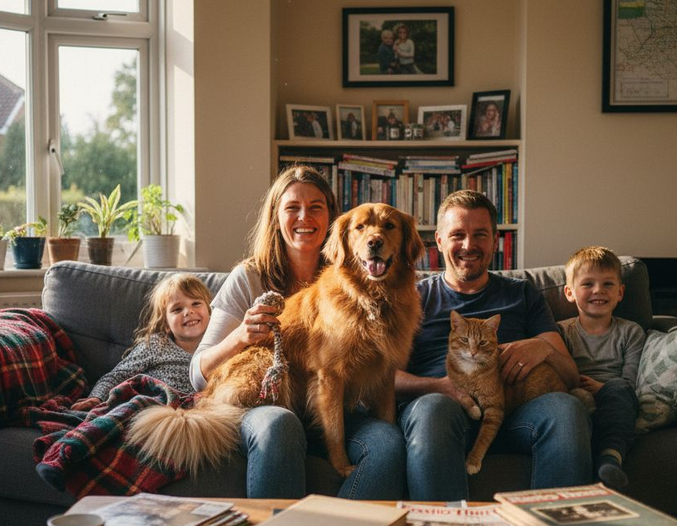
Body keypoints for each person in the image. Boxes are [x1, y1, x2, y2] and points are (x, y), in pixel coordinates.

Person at [189, 166, 406, 499]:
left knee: (388, 444)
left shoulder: (354, 271)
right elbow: (198, 374)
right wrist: (241, 337)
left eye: (316, 207)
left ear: (331, 219)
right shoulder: (248, 276)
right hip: (268, 400)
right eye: (292, 207)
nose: (304, 216)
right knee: (279, 425)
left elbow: (379, 374)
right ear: (276, 217)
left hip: (333, 411)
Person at [395, 190, 591, 501]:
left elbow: (569, 376)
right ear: (439, 240)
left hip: (515, 413)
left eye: (480, 235)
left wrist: (545, 349)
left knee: (566, 409)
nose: (469, 245)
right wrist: (438, 386)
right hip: (441, 413)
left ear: (495, 240)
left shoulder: (521, 294)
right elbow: (383, 377)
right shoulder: (414, 298)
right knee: (433, 409)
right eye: (458, 234)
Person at [559, 246, 645, 490]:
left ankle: (610, 458)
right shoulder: (562, 331)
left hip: (615, 396)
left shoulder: (631, 332)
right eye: (587, 284)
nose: (598, 290)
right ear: (569, 292)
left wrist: (603, 388)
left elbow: (630, 380)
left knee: (619, 389)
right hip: (575, 396)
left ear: (620, 292)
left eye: (608, 284)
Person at [72, 274, 213, 410]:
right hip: (156, 408)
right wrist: (97, 398)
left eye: (196, 303)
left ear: (210, 311)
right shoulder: (155, 345)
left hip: (200, 413)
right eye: (177, 309)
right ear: (166, 324)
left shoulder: (219, 348)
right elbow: (117, 375)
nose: (188, 311)